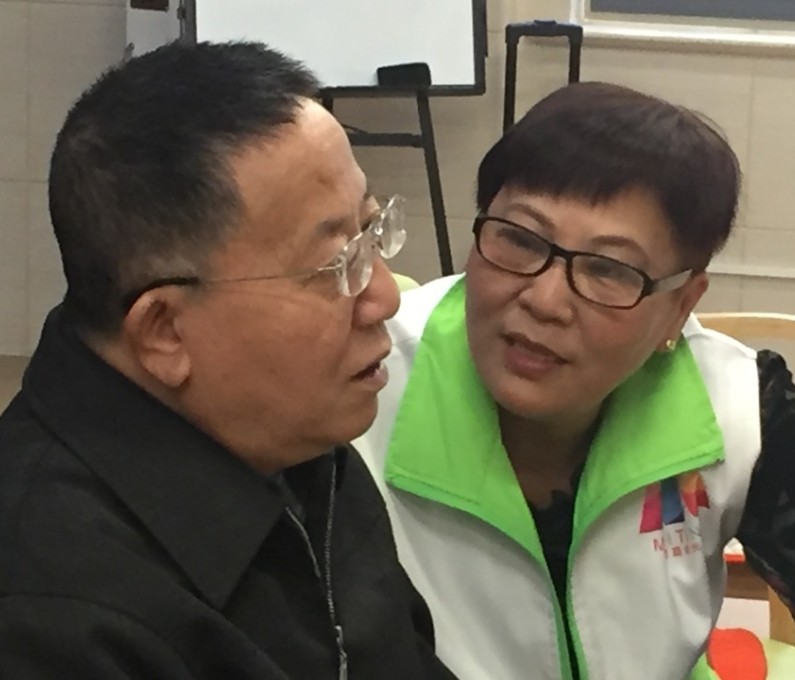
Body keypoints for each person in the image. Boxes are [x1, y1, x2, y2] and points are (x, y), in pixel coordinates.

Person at [354, 82, 795, 679]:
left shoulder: (737, 405)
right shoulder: (360, 386)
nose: (545, 300)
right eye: (519, 239)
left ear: (681, 305)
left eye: (609, 270)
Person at [0, 41, 454, 680]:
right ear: (165, 331)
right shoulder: (53, 613)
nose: (384, 295)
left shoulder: (296, 443)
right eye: (336, 264)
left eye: (371, 232)